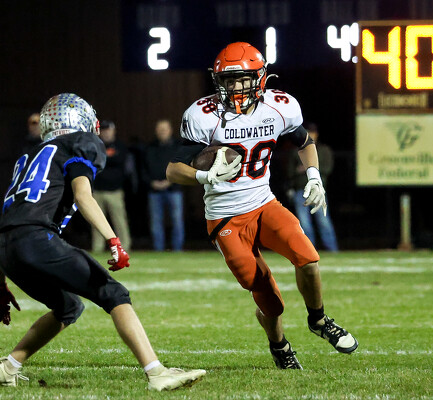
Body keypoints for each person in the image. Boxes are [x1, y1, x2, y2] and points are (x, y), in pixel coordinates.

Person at [0, 93, 205, 391]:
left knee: (68, 307)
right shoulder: (79, 143)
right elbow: (83, 196)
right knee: (114, 293)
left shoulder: (28, 156)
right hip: (36, 238)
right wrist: (113, 239)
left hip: (6, 247)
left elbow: (4, 225)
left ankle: (9, 367)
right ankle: (157, 373)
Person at [166, 42, 358, 369]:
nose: (235, 87)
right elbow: (173, 170)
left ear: (260, 77)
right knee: (267, 296)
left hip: (263, 203)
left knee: (308, 259)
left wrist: (314, 177)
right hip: (225, 216)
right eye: (228, 80)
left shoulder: (279, 106)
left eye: (242, 79)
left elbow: (304, 142)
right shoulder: (203, 115)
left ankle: (318, 319)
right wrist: (204, 176)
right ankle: (279, 345)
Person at [287, 122, 339, 251]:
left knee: (323, 221)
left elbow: (328, 168)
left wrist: (309, 168)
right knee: (304, 223)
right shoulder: (296, 150)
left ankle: (332, 249)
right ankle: (309, 250)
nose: (311, 135)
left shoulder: (323, 150)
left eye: (312, 132)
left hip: (317, 190)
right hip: (301, 190)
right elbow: (289, 171)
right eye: (308, 132)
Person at [91, 120, 133, 252]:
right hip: (97, 190)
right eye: (103, 130)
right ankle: (97, 248)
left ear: (113, 131)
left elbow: (119, 161)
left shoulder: (120, 146)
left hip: (115, 190)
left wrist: (104, 160)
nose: (106, 133)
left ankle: (124, 246)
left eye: (108, 130)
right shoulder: (94, 145)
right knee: (96, 221)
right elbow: (92, 162)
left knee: (119, 221)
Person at [143, 119, 185, 251]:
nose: (162, 131)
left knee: (177, 220)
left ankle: (177, 249)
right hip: (154, 190)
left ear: (170, 130)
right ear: (156, 131)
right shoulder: (150, 148)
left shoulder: (178, 147)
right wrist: (151, 182)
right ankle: (158, 249)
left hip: (174, 189)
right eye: (160, 129)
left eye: (165, 129)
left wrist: (170, 181)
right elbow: (143, 169)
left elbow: (183, 167)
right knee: (156, 221)